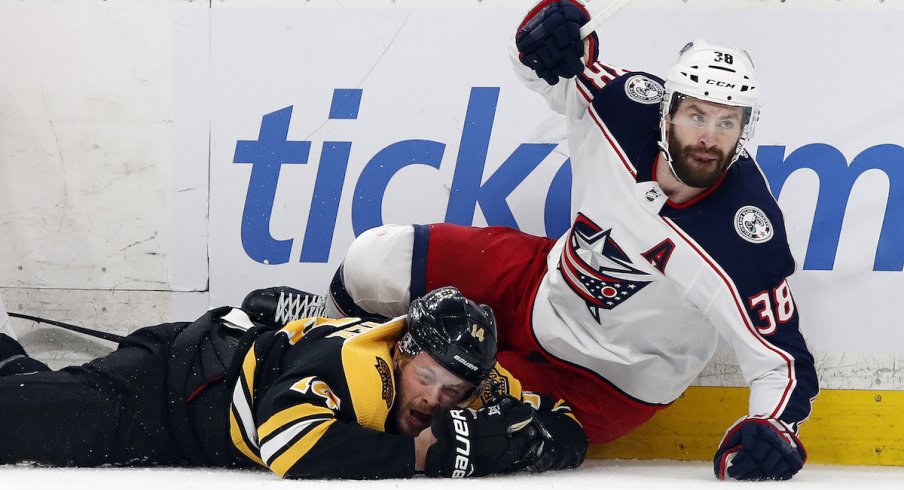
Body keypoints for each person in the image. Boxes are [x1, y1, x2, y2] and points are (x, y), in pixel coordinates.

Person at [313, 0, 818, 482]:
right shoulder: (623, 107)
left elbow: (782, 364)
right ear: (666, 112)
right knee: (373, 260)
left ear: (745, 131)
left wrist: (772, 429)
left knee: (436, 415)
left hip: (601, 384)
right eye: (697, 116)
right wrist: (544, 30)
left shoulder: (744, 237)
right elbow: (541, 67)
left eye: (726, 122)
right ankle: (308, 348)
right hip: (537, 284)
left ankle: (338, 386)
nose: (709, 138)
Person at [0, 286, 586, 479]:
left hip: (204, 400)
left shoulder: (473, 377)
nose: (436, 398)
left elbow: (567, 419)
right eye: (426, 377)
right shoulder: (352, 364)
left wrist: (532, 446)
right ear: (403, 349)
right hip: (164, 389)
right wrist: (420, 452)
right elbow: (285, 444)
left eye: (453, 392)